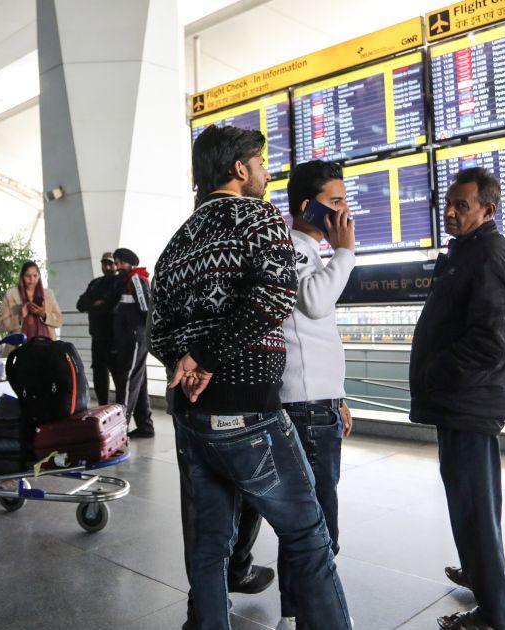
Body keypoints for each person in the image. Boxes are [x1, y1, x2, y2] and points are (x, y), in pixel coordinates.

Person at [151, 124, 351, 630]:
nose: (266, 174)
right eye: (260, 164)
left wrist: (187, 364)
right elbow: (277, 294)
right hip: (250, 411)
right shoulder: (258, 217)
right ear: (240, 169)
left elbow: (158, 332)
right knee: (308, 535)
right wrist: (207, 358)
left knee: (209, 549)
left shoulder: (178, 241)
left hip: (191, 417)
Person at [409, 167, 505, 630]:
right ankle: (477, 572)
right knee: (471, 502)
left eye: (462, 206)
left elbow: (490, 342)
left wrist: (436, 371)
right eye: (449, 204)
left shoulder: (489, 256)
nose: (451, 213)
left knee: (474, 508)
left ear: (487, 210)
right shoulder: (468, 251)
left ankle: (495, 614)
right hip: (459, 401)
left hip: (468, 402)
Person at [273, 160, 357, 630]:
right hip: (305, 409)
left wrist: (336, 395)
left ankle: (294, 613)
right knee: (318, 525)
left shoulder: (304, 248)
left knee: (305, 519)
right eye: (335, 201)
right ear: (308, 206)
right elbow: (314, 303)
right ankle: (313, 617)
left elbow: (314, 335)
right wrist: (345, 252)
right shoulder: (294, 248)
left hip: (316, 402)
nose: (344, 212)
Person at [110, 248, 153, 438]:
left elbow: (145, 308)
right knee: (139, 379)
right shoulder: (127, 280)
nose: (117, 266)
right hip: (132, 336)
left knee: (127, 379)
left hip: (135, 337)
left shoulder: (135, 278)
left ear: (131, 263)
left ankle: (121, 429)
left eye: (120, 262)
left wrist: (141, 333)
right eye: (116, 262)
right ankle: (145, 426)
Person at [76, 252, 120, 405]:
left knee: (119, 377)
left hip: (115, 339)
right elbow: (80, 304)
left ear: (116, 265)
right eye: (104, 264)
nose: (107, 267)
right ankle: (103, 408)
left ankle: (122, 411)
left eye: (110, 264)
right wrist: (98, 304)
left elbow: (112, 306)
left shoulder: (119, 283)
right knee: (99, 377)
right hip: (97, 338)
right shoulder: (95, 283)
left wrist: (96, 304)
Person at [0, 260, 63, 339]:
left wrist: (43, 315)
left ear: (39, 276)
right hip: (20, 343)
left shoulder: (48, 294)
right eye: (28, 276)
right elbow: (1, 324)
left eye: (35, 276)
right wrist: (20, 317)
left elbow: (59, 320)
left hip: (46, 343)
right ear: (22, 276)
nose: (32, 279)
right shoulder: (11, 294)